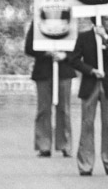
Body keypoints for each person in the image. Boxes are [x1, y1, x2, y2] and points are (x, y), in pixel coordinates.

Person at [68, 16, 108, 176]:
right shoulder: (84, 37)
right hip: (90, 84)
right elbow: (74, 60)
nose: (107, 20)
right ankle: (85, 164)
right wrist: (91, 70)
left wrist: (105, 37)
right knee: (87, 124)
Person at [24, 22, 75, 158]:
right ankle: (43, 145)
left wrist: (64, 55)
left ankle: (65, 144)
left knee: (64, 109)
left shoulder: (69, 21)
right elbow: (29, 47)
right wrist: (46, 52)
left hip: (64, 71)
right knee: (43, 109)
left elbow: (76, 47)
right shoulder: (38, 23)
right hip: (44, 72)